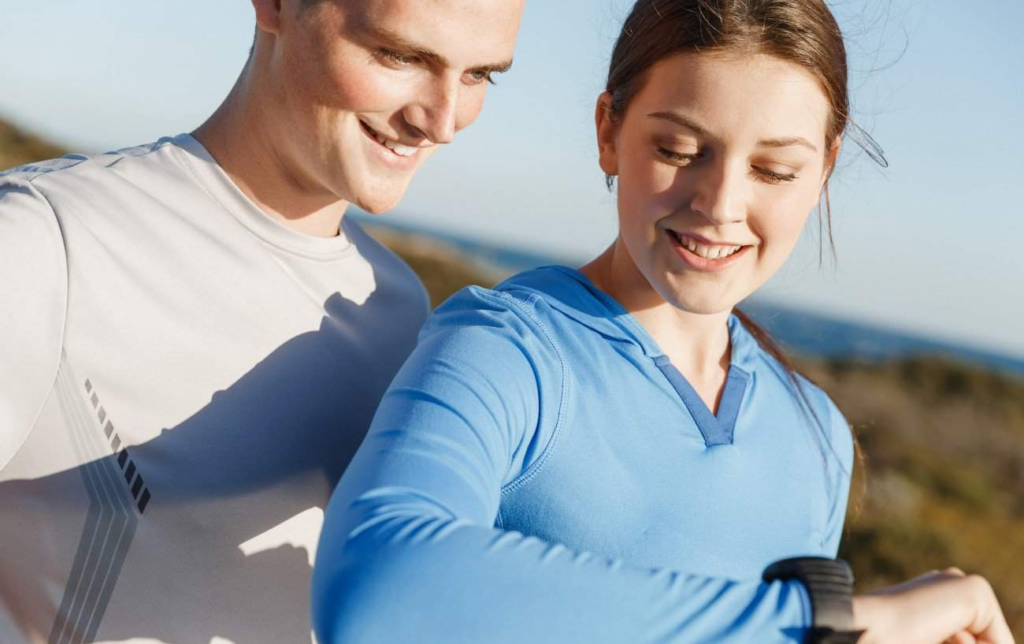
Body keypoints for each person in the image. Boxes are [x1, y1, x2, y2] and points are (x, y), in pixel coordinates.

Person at [310, 1, 1015, 643]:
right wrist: (829, 620)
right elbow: (377, 589)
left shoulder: (815, 434)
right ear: (608, 131)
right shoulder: (509, 348)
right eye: (679, 151)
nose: (720, 205)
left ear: (824, 170)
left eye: (774, 170)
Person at [0, 0, 523, 642]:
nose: (442, 122)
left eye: (479, 76)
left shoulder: (399, 308)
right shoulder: (45, 239)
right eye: (401, 55)